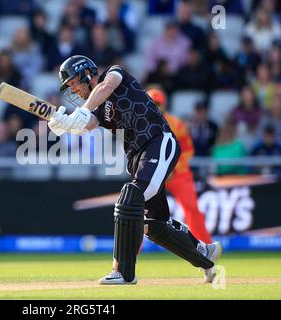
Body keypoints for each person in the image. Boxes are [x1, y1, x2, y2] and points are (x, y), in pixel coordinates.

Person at [48, 55, 221, 285]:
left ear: (86, 73)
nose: (75, 90)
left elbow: (106, 87)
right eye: (70, 87)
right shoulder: (97, 109)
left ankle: (123, 272)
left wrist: (84, 109)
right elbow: (87, 125)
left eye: (74, 83)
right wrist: (65, 124)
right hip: (138, 157)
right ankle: (204, 255)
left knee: (130, 199)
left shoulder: (114, 73)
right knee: (154, 226)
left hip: (158, 142)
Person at [146, 88, 212, 244]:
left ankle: (205, 246)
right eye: (152, 103)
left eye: (158, 104)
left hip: (176, 174)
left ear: (164, 105)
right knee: (140, 211)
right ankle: (130, 251)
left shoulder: (176, 124)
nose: (155, 107)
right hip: (152, 174)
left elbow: (188, 149)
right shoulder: (140, 123)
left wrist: (172, 168)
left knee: (192, 209)